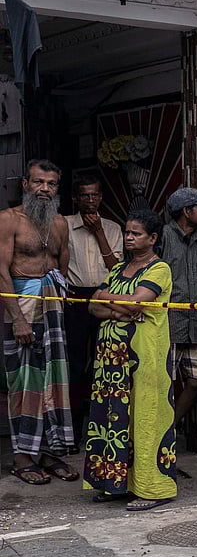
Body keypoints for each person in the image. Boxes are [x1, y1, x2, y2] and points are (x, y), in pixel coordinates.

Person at [82, 210, 176, 511]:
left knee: (145, 415)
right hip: (111, 360)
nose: (129, 237)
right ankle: (116, 484)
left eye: (136, 233)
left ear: (153, 238)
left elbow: (138, 301)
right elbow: (92, 306)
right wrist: (118, 309)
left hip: (144, 356)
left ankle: (152, 488)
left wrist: (114, 303)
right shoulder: (119, 268)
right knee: (113, 417)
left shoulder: (159, 269)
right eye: (127, 232)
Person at [0, 160, 74, 484]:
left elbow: (62, 268)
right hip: (20, 310)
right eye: (39, 182)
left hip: (52, 312)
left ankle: (48, 453)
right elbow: (1, 271)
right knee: (24, 386)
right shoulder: (8, 220)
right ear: (26, 185)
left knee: (53, 384)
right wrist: (18, 319)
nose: (45, 189)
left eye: (52, 183)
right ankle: (22, 458)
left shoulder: (59, 223)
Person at [64, 173, 124, 437]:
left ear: (101, 196)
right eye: (85, 196)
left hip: (105, 298)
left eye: (95, 195)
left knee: (106, 360)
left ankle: (104, 424)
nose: (91, 201)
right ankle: (74, 428)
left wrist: (99, 231)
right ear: (75, 198)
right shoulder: (63, 225)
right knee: (75, 363)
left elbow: (116, 269)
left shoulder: (112, 228)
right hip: (74, 298)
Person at [160, 186, 197, 439]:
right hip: (168, 320)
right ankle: (154, 435)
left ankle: (168, 427)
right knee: (162, 382)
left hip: (196, 321)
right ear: (186, 211)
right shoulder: (162, 236)